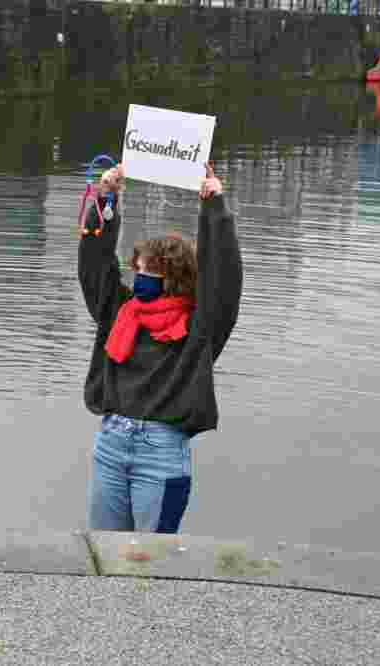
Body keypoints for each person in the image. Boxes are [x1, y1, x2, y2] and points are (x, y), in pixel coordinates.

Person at [78, 162, 242, 533]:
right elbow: (94, 267)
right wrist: (106, 200)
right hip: (111, 444)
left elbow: (224, 279)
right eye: (136, 269)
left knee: (152, 564)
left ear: (174, 280)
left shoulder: (199, 328)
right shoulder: (120, 313)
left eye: (149, 272)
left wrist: (214, 208)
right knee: (103, 554)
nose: (139, 279)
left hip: (162, 453)